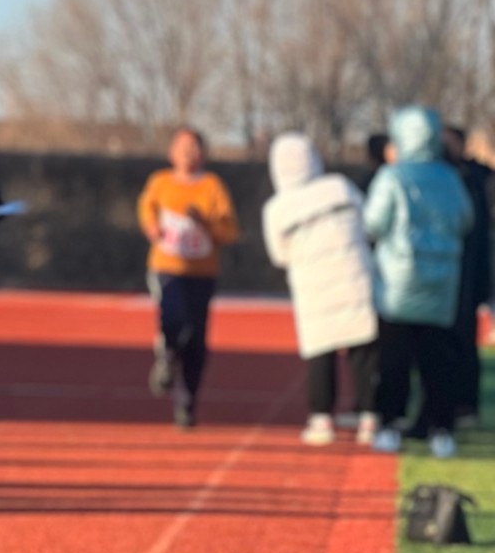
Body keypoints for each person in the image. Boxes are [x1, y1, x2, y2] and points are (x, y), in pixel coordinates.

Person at [365, 107, 473, 458]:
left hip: (399, 283)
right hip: (442, 284)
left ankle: (390, 425)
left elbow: (374, 222)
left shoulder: (392, 177)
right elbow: (465, 220)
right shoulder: (450, 179)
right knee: (437, 361)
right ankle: (441, 430)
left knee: (394, 361)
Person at [262, 133, 379, 446]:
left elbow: (279, 254)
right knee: (363, 349)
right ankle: (369, 418)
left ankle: (321, 419)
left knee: (320, 351)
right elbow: (369, 223)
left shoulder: (276, 208)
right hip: (355, 276)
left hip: (312, 285)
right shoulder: (339, 186)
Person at [136, 127, 240, 428]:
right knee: (173, 318)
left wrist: (204, 222)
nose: (188, 153)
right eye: (182, 147)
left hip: (202, 271)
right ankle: (166, 357)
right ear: (171, 152)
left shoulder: (212, 186)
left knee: (196, 339)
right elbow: (146, 209)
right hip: (167, 267)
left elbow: (229, 231)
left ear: (203, 153)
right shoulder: (160, 182)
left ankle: (187, 401)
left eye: (194, 147)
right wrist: (152, 227)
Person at [441, 125, 490, 425]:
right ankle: (441, 405)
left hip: (469, 272)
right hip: (440, 274)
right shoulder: (437, 176)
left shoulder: (478, 178)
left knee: (464, 340)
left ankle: (466, 404)